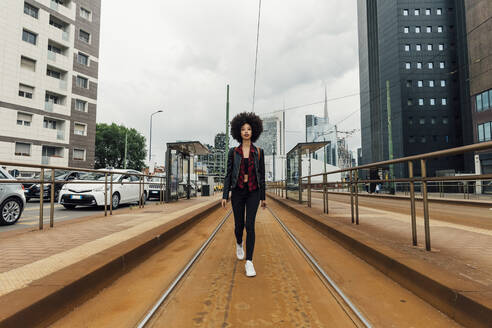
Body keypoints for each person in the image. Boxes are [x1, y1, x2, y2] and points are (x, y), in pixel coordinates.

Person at [222, 112, 266, 277]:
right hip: (238, 191)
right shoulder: (233, 152)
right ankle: (239, 242)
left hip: (253, 192)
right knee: (238, 225)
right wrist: (225, 195)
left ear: (253, 131)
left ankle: (249, 262)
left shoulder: (259, 152)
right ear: (238, 132)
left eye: (249, 129)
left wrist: (263, 197)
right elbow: (228, 174)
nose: (246, 131)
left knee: (250, 224)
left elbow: (261, 175)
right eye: (243, 129)